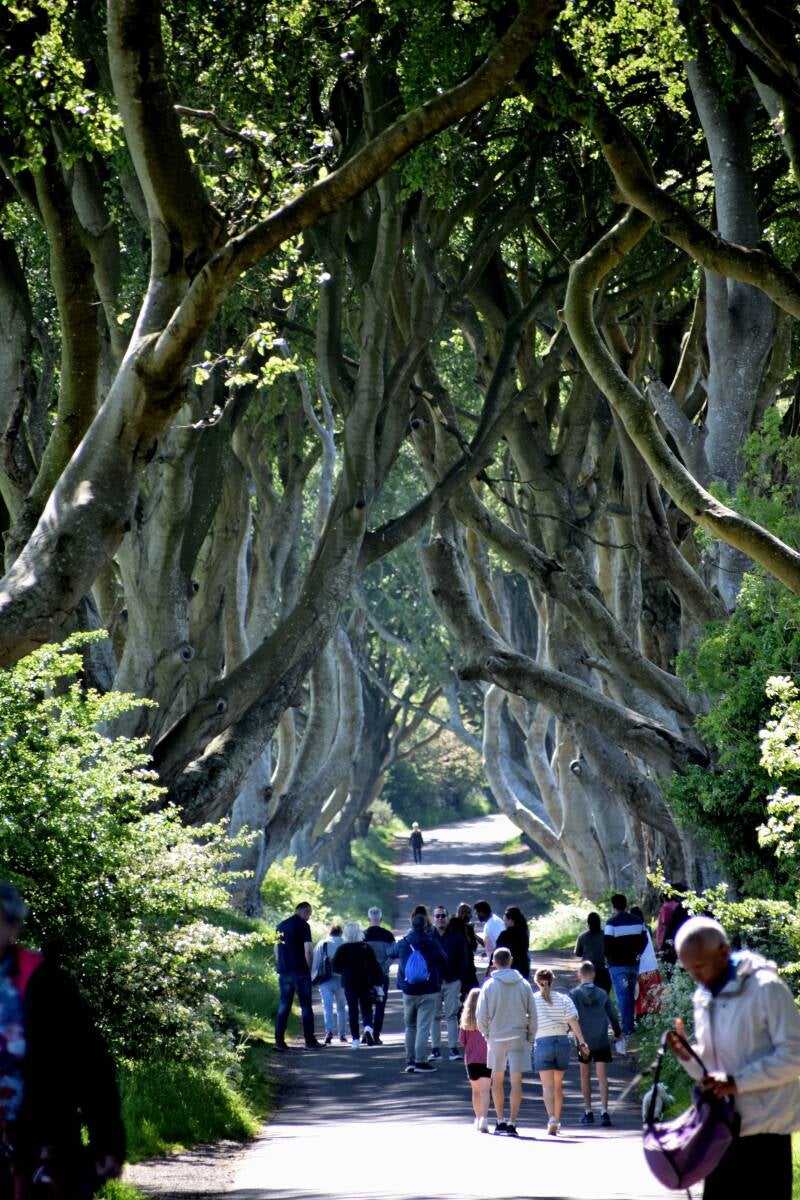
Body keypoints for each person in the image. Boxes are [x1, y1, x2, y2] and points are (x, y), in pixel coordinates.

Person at [0, 880, 125, 1198]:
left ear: (13, 926)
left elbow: (90, 1062)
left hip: (41, 1144)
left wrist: (106, 1140)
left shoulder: (46, 982)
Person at [667, 916, 800, 1199]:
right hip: (719, 1131)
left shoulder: (766, 988)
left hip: (765, 1136)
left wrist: (736, 1082)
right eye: (689, 969)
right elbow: (711, 1071)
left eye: (699, 967)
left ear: (724, 952)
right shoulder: (703, 997)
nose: (695, 977)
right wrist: (687, 1055)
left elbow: (794, 1056)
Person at [476, 947, 537, 1137]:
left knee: (497, 1081)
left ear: (494, 962)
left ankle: (500, 1120)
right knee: (517, 1082)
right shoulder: (523, 984)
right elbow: (533, 1014)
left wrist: (487, 1033)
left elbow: (480, 1016)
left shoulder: (489, 985)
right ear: (510, 961)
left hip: (496, 1037)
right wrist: (531, 1036)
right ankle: (513, 1122)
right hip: (519, 1036)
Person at [532, 966, 588, 1136]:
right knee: (558, 1086)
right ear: (552, 980)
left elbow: (527, 1021)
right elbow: (572, 1021)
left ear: (536, 981)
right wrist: (582, 1042)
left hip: (542, 1042)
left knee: (547, 1087)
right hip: (562, 1042)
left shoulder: (532, 1000)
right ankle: (557, 1117)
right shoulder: (564, 999)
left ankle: (551, 1119)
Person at [392, 912, 447, 1073]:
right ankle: (420, 1061)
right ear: (425, 925)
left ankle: (409, 1060)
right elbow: (444, 958)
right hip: (428, 990)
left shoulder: (404, 942)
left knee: (410, 1026)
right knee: (423, 1026)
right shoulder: (431, 943)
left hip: (409, 991)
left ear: (411, 924)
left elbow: (390, 952)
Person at [570, 960, 621, 1127]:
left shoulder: (574, 994)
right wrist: (618, 1033)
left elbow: (570, 1018)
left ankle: (588, 1111)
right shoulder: (603, 994)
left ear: (579, 975)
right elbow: (612, 1015)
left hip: (583, 1042)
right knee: (602, 1076)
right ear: (594, 974)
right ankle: (605, 1111)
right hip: (601, 1039)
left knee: (585, 1075)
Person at [275, 901, 322, 1049]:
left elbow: (276, 949)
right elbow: (308, 950)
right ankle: (309, 1041)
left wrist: (280, 964)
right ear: (304, 911)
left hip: (284, 972)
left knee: (284, 1006)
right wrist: (310, 968)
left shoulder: (280, 926)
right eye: (309, 914)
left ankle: (279, 1042)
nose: (308, 917)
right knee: (306, 1006)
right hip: (300, 971)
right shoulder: (303, 926)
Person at [331, 922, 384, 1048]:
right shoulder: (366, 948)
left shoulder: (342, 949)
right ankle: (367, 1027)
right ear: (359, 933)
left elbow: (335, 967)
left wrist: (344, 972)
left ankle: (355, 1039)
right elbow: (374, 966)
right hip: (365, 982)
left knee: (352, 1010)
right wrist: (378, 982)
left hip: (349, 983)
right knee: (366, 1008)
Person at [429, 906, 469, 1061]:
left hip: (453, 981)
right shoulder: (429, 937)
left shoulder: (457, 937)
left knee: (452, 1015)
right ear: (433, 919)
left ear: (447, 918)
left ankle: (453, 1048)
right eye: (437, 916)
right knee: (435, 1016)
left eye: (443, 916)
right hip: (434, 983)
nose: (440, 919)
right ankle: (435, 1049)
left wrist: (461, 980)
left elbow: (463, 961)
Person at [603, 893, 646, 1037]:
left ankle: (627, 1028)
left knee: (623, 996)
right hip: (634, 964)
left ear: (613, 906)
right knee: (631, 994)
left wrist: (608, 959)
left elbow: (607, 945)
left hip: (617, 965)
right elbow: (645, 940)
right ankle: (630, 1025)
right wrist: (637, 953)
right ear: (626, 904)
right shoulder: (637, 921)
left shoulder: (611, 923)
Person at [458, 987, 491, 1132]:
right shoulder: (489, 1018)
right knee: (485, 1091)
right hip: (487, 1058)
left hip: (471, 1060)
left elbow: (462, 1040)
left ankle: (477, 1118)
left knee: (475, 1091)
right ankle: (484, 1117)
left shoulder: (465, 1021)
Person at [362, 906, 395, 1045]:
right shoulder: (388, 935)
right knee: (380, 1005)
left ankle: (367, 1030)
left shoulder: (362, 935)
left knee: (365, 1003)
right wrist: (383, 967)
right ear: (381, 919)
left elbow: (360, 956)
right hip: (382, 976)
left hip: (366, 976)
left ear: (368, 919)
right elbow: (393, 954)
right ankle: (376, 1035)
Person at [311, 922, 347, 1045]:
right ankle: (342, 1034)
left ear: (329, 932)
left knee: (327, 1007)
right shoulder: (345, 943)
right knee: (341, 1007)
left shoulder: (322, 944)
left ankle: (329, 1031)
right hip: (342, 979)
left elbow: (315, 962)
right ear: (340, 932)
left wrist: (313, 978)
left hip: (325, 979)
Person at [630, 905, 663, 1016]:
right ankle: (656, 1011)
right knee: (655, 991)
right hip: (652, 964)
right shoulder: (646, 927)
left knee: (641, 993)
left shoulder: (633, 930)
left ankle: (642, 1013)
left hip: (641, 966)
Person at [574, 911, 611, 993]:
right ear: (599, 922)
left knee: (587, 994)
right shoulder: (606, 935)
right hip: (603, 969)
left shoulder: (582, 937)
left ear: (588, 923)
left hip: (586, 970)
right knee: (604, 994)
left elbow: (578, 953)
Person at [494, 906, 530, 978]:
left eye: (505, 921)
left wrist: (490, 965)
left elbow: (498, 951)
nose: (504, 923)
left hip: (508, 967)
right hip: (523, 965)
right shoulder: (524, 932)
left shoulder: (505, 935)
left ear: (511, 920)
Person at [450, 911, 479, 992]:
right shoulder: (466, 929)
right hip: (467, 967)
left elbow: (473, 946)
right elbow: (474, 947)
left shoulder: (455, 930)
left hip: (462, 969)